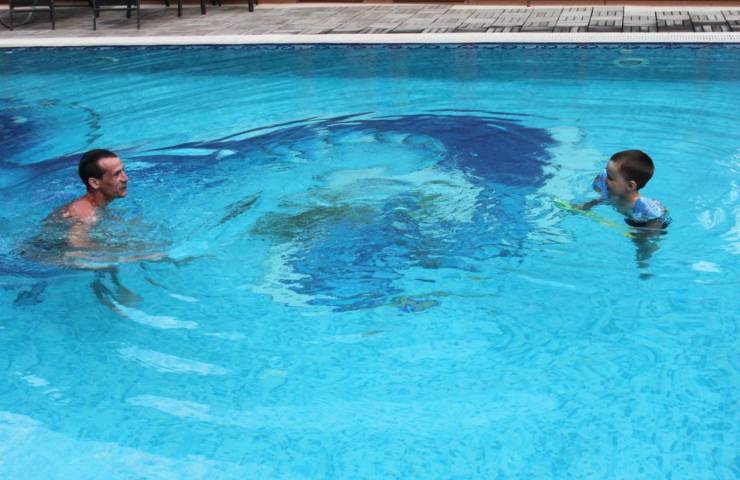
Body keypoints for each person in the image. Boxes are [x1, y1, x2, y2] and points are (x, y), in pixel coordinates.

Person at [52, 149, 128, 248]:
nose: (125, 178)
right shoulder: (86, 213)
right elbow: (75, 244)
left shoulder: (95, 206)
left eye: (123, 170)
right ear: (94, 183)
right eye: (116, 174)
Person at [581, 149, 669, 229]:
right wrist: (587, 205)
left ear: (630, 186)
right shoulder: (612, 192)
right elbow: (602, 199)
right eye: (607, 174)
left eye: (610, 178)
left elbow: (654, 228)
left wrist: (643, 235)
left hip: (648, 220)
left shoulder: (645, 209)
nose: (605, 180)